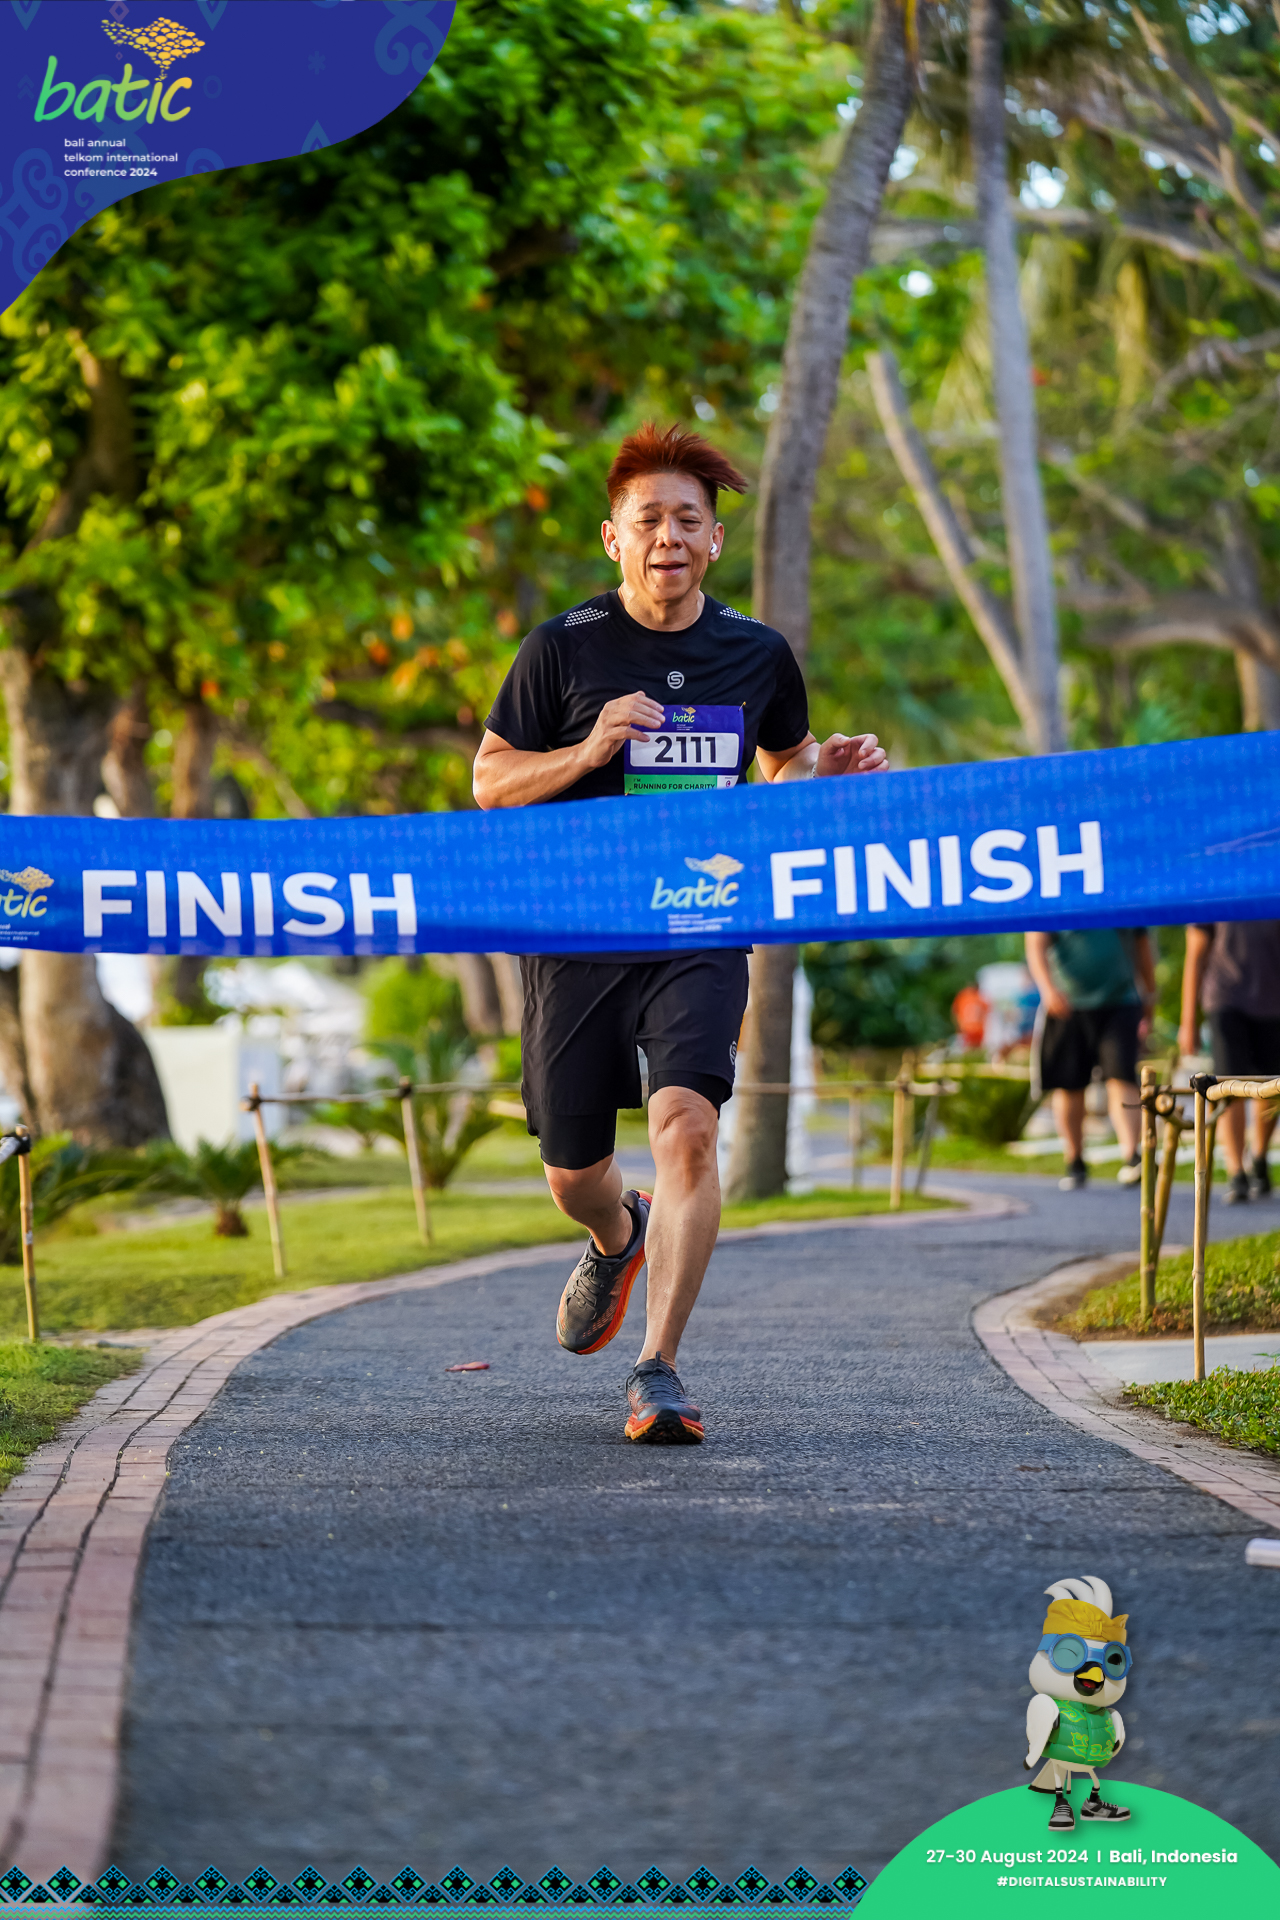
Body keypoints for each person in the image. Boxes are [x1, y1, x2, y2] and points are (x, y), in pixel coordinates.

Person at [473, 422, 888, 1445]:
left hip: (702, 920)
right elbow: (489, 781)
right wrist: (588, 748)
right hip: (576, 930)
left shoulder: (756, 653)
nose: (669, 536)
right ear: (613, 538)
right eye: (648, 519)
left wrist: (820, 777)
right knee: (573, 1173)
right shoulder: (562, 648)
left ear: (713, 541)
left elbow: (780, 768)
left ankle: (656, 1368)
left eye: (688, 520)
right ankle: (619, 1233)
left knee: (688, 1130)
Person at [1024, 929, 1155, 1192]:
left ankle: (1133, 1156)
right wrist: (1047, 989)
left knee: (1122, 1076)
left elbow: (1142, 946)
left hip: (1120, 1000)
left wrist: (1149, 995)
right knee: (1069, 1085)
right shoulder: (1057, 902)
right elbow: (1036, 940)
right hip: (1067, 1003)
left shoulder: (1124, 903)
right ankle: (1075, 1160)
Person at [1178, 921, 1280, 1203]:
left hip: (1273, 1002)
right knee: (1228, 1084)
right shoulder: (1215, 896)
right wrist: (1188, 1021)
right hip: (1225, 998)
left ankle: (1259, 1156)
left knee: (1271, 1085)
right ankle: (1237, 1171)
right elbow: (1195, 955)